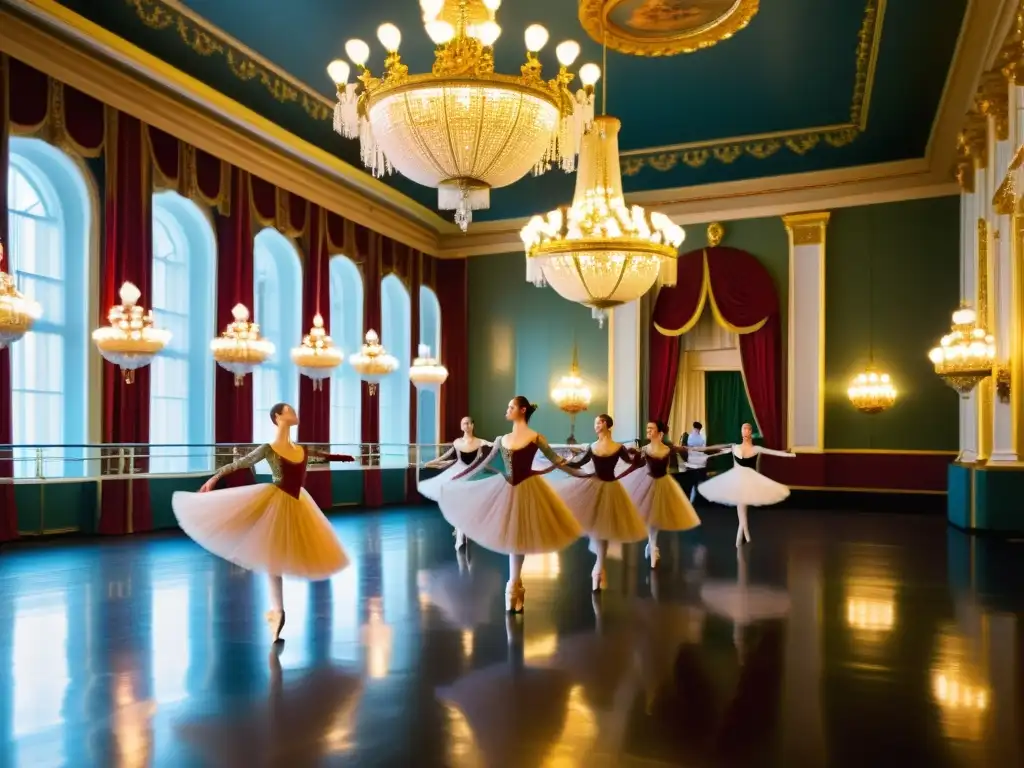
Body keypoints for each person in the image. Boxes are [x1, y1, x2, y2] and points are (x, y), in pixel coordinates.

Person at [172, 403, 356, 642]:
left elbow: (322, 456)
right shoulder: (268, 448)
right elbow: (242, 462)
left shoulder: (301, 448)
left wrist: (344, 457)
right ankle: (277, 610)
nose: (294, 412)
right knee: (273, 555)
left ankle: (277, 611)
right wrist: (214, 478)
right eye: (288, 410)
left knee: (279, 554)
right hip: (277, 501)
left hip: (298, 502)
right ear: (277, 417)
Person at [437, 396, 588, 613]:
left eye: (511, 407)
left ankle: (514, 583)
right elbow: (484, 464)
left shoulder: (536, 438)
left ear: (522, 410)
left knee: (520, 536)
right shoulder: (502, 439)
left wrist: (583, 474)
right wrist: (463, 477)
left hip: (529, 490)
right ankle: (514, 584)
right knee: (515, 536)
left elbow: (558, 461)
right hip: (507, 489)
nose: (506, 410)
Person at [552, 414, 647, 591]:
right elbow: (579, 464)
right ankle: (599, 566)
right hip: (596, 487)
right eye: (595, 422)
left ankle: (599, 566)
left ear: (605, 424)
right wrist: (561, 462)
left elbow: (634, 463)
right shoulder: (595, 446)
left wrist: (640, 456)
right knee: (598, 527)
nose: (595, 425)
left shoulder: (615, 447)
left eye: (597, 422)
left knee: (603, 527)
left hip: (608, 489)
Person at [696, 423, 794, 547]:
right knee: (741, 505)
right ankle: (745, 536)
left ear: (751, 432)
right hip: (737, 478)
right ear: (741, 431)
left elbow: (773, 452)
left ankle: (743, 536)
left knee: (742, 505)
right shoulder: (734, 447)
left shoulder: (756, 449)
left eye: (748, 428)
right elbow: (715, 448)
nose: (746, 430)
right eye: (744, 428)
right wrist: (692, 449)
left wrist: (788, 453)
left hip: (750, 479)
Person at [621, 420, 701, 568]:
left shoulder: (668, 449)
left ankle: (652, 545)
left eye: (651, 428)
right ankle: (651, 545)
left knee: (655, 517)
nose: (648, 431)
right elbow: (634, 465)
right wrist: (630, 455)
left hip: (664, 484)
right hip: (648, 482)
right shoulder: (645, 449)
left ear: (660, 433)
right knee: (649, 516)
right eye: (647, 429)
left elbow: (685, 454)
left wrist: (685, 450)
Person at [418, 415, 493, 550]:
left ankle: (462, 530)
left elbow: (493, 447)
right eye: (464, 423)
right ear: (461, 426)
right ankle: (460, 533)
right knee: (461, 505)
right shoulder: (457, 442)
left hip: (472, 475)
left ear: (473, 425)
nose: (467, 425)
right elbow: (445, 456)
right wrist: (429, 462)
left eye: (469, 423)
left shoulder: (480, 442)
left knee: (468, 506)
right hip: (458, 474)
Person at [682, 421, 708, 503]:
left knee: (693, 482)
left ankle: (692, 500)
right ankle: (698, 499)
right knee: (698, 481)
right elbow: (704, 448)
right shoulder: (701, 437)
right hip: (700, 462)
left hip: (693, 461)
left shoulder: (690, 436)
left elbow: (688, 447)